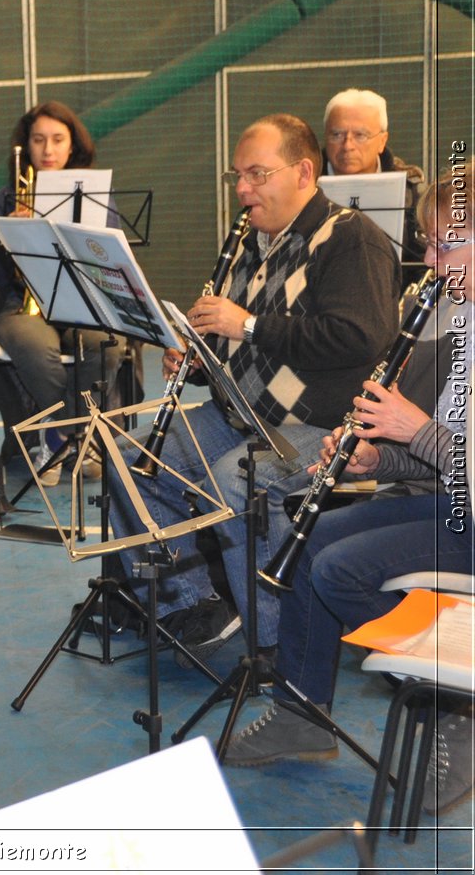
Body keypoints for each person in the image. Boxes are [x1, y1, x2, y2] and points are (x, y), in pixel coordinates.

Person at [106, 114, 399, 662]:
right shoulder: (251, 240)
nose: (242, 189)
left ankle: (278, 645)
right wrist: (197, 354)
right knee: (128, 458)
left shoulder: (350, 238)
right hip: (239, 414)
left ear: (304, 172)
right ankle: (193, 604)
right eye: (237, 176)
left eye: (257, 174)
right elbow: (238, 339)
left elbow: (360, 338)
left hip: (322, 424)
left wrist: (245, 324)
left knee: (236, 483)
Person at [223, 170, 471, 817]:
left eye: (450, 245)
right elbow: (436, 454)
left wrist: (416, 428)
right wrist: (376, 451)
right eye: (429, 243)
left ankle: (457, 703)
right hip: (452, 502)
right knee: (313, 541)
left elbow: (447, 450)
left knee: (339, 569)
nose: (432, 262)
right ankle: (302, 712)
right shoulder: (462, 318)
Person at [0, 101, 121, 483]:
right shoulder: (7, 198)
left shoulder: (95, 195)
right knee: (34, 348)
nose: (48, 150)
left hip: (82, 301)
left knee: (109, 345)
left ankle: (62, 434)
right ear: (27, 145)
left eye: (57, 140)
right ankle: (66, 432)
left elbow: (112, 259)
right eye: (38, 140)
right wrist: (11, 239)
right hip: (20, 304)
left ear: (73, 146)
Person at [320, 87, 427, 265]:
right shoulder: (301, 188)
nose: (348, 145)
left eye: (360, 135)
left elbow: (423, 261)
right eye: (337, 135)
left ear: (382, 141)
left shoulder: (412, 194)